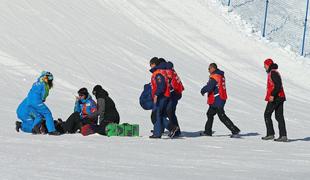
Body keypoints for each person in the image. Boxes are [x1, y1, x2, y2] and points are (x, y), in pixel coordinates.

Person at [200, 63, 240, 137]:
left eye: (209, 69)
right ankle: (208, 131)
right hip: (218, 99)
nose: (208, 70)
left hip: (217, 100)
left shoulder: (215, 76)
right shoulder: (220, 75)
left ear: (213, 68)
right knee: (210, 114)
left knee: (222, 116)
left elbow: (210, 87)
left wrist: (202, 90)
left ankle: (235, 130)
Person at [16, 71, 60, 135]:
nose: (50, 80)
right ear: (45, 77)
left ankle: (23, 126)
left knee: (38, 116)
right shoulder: (44, 84)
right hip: (36, 101)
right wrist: (43, 99)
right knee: (47, 113)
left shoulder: (37, 82)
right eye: (49, 78)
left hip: (28, 101)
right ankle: (51, 130)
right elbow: (44, 94)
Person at [262, 58, 288, 142]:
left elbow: (278, 85)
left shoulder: (273, 73)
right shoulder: (273, 72)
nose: (264, 67)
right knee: (279, 116)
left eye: (265, 65)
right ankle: (283, 136)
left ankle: (270, 134)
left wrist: (272, 95)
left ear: (268, 65)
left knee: (267, 114)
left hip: (276, 97)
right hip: (280, 97)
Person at [165, 60, 184, 137]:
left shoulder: (169, 71)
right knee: (171, 112)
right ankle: (177, 130)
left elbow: (169, 82)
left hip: (174, 94)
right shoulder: (173, 71)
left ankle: (175, 129)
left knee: (169, 111)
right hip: (178, 93)